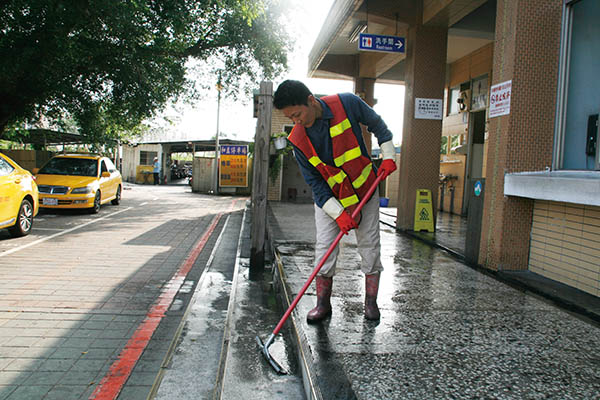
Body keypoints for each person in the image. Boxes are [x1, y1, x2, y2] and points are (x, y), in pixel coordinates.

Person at [273, 79, 397, 322]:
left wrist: (389, 154)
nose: (296, 122)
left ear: (310, 100)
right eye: (291, 118)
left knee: (370, 246)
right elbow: (316, 184)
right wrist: (338, 213)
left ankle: (371, 303)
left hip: (365, 188)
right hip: (331, 199)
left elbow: (377, 124)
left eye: (298, 114)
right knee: (325, 249)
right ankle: (323, 304)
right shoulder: (298, 140)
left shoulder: (346, 103)